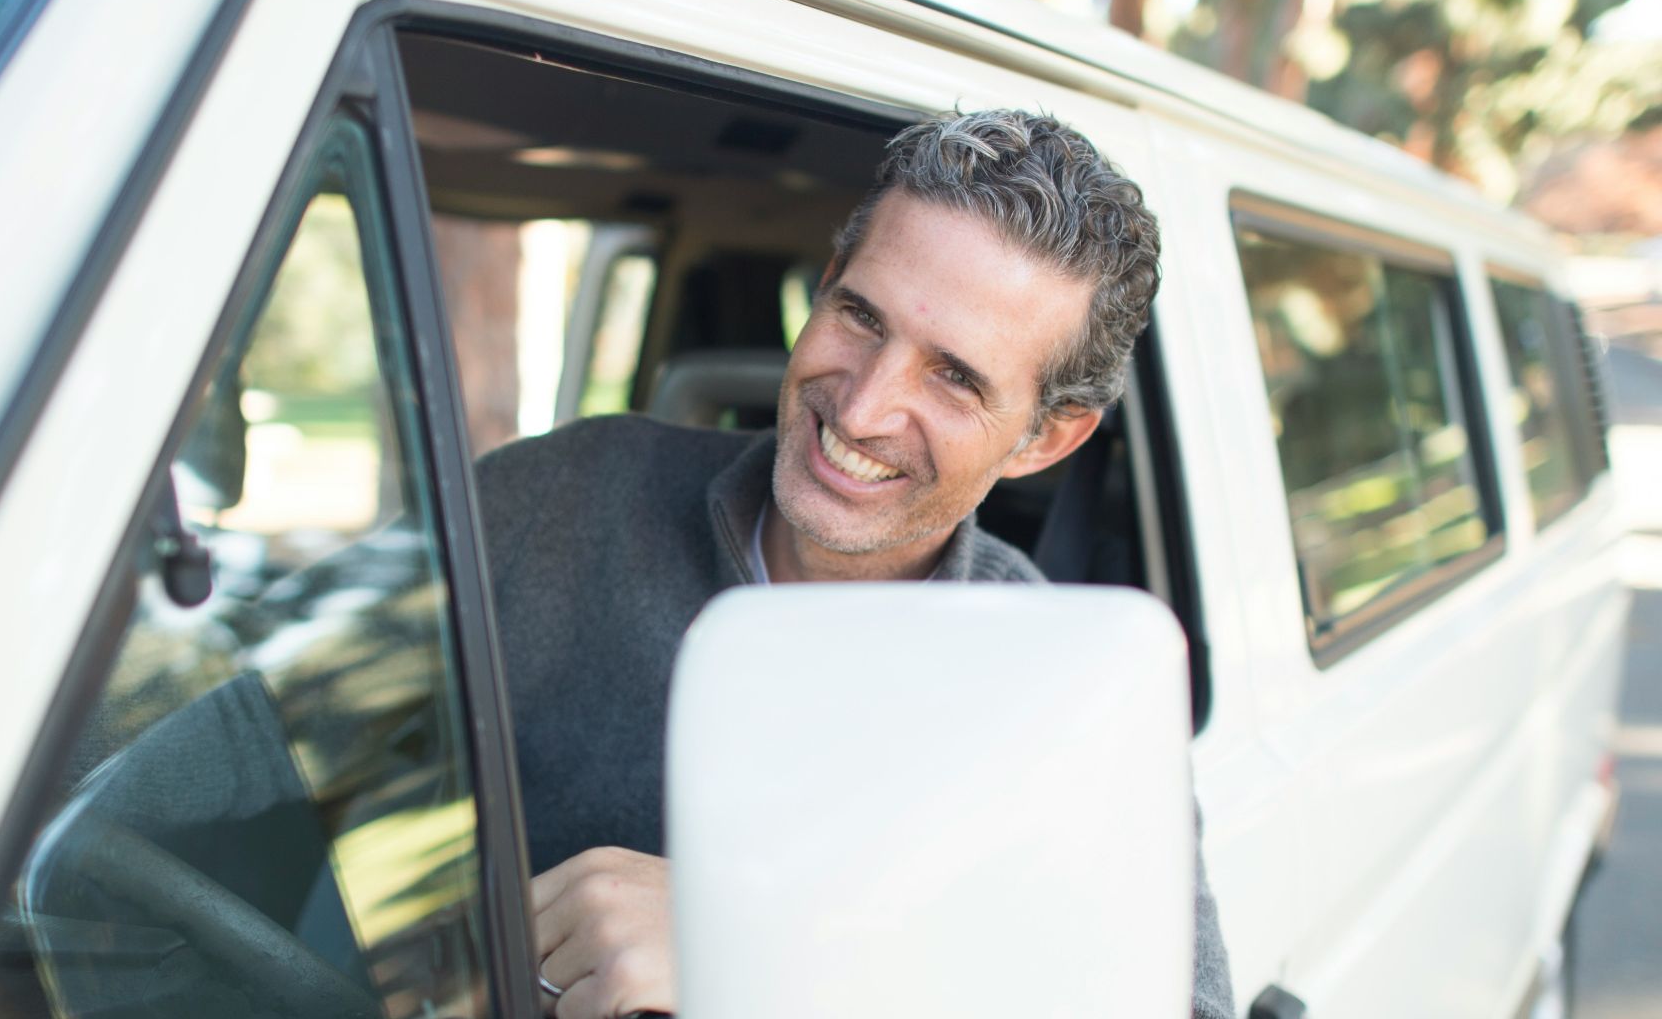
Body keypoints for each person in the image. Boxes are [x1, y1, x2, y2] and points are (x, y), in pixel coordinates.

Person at [475, 110, 1236, 1019]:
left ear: (1045, 438)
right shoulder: (562, 492)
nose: (865, 409)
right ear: (827, 283)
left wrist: (770, 954)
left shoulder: (1071, 698)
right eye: (860, 316)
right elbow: (279, 729)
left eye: (955, 376)